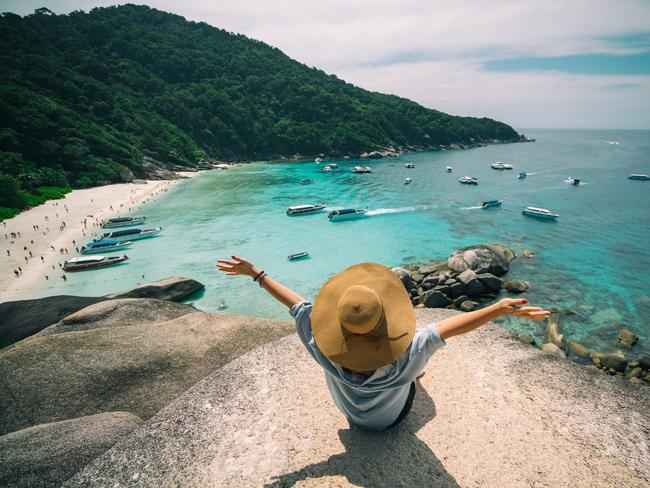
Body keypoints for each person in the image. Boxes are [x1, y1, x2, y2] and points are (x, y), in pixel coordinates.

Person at [217, 256, 550, 431]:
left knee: (417, 354)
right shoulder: (405, 360)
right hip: (392, 420)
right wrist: (499, 308)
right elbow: (447, 329)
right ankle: (412, 378)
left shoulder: (319, 344)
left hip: (351, 414)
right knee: (418, 364)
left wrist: (256, 275)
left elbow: (296, 305)